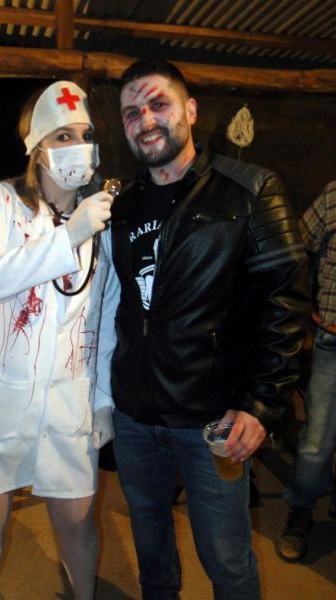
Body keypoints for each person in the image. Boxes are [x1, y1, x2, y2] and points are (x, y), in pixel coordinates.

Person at [109, 58, 310, 599]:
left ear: (191, 110)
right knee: (150, 549)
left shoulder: (251, 188)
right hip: (134, 416)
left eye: (158, 104)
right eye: (131, 113)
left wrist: (262, 404)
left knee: (226, 559)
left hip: (213, 419)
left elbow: (287, 302)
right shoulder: (122, 205)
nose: (145, 121)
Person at [0, 80, 119, 600]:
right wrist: (68, 236)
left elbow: (104, 318)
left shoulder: (101, 219)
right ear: (37, 146)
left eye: (86, 135)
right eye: (62, 136)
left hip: (68, 400)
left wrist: (103, 399)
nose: (78, 146)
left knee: (78, 523)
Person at [276, 180, 336, 562]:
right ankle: (301, 510)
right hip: (333, 341)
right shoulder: (333, 195)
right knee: (317, 441)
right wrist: (305, 308)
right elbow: (295, 247)